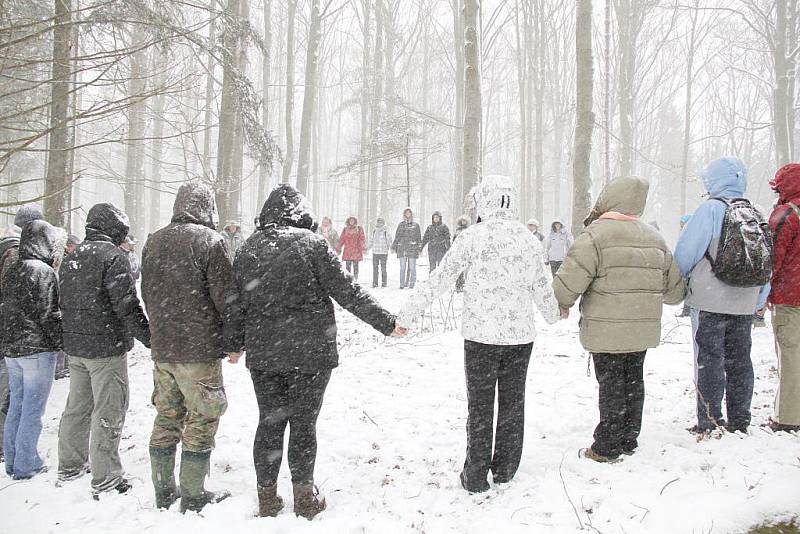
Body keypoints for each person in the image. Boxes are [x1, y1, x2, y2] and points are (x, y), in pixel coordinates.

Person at [224, 185, 404, 519]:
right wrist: (386, 322)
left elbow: (235, 302)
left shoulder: (250, 248)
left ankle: (267, 497)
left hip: (265, 354)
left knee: (269, 422)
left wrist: (233, 344)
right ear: (301, 214)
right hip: (311, 354)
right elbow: (346, 292)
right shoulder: (313, 246)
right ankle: (304, 497)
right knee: (304, 424)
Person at [398, 175, 560, 493]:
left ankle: (475, 474)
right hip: (519, 339)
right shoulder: (528, 240)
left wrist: (407, 314)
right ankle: (505, 468)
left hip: (480, 338)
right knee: (513, 402)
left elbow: (442, 277)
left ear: (484, 201)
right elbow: (542, 287)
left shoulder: (472, 236)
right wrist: (554, 313)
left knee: (480, 404)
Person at [553, 178, 686, 463]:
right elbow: (675, 292)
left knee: (611, 383)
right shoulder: (655, 238)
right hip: (641, 329)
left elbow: (567, 285)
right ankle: (629, 437)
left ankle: (606, 446)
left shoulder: (595, 236)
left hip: (606, 328)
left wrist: (561, 303)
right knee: (633, 380)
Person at [142, 183, 235, 512]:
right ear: (208, 207)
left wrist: (159, 331)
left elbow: (147, 292)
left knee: (167, 417)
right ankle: (193, 494)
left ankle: (163, 490)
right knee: (202, 417)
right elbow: (226, 299)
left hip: (163, 349)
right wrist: (234, 340)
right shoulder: (210, 242)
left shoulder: (153, 241)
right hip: (199, 350)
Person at [57, 203, 151, 496]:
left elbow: (65, 304)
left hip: (76, 348)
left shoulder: (73, 258)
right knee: (109, 409)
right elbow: (126, 306)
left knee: (77, 407)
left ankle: (70, 465)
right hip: (105, 348)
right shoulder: (113, 258)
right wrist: (149, 336)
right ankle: (106, 477)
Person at [675, 157, 771, 435]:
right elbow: (766, 262)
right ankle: (740, 419)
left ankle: (711, 420)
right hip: (744, 301)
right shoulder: (755, 212)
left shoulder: (710, 211)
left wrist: (678, 284)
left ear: (713, 180)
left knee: (710, 359)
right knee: (741, 360)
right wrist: (760, 300)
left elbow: (686, 253)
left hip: (709, 299)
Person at [0, 220, 64, 479]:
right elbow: (49, 314)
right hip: (37, 350)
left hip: (12, 350)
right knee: (32, 409)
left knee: (16, 404)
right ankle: (27, 462)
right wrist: (60, 342)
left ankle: (12, 459)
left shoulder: (13, 269)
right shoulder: (43, 272)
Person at [0, 206, 44, 461]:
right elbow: (16, 296)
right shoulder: (15, 253)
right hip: (12, 332)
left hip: (7, 329)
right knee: (11, 395)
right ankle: (8, 448)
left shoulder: (6, 246)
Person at [766, 164, 800, 432]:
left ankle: (788, 416)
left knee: (791, 358)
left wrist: (763, 291)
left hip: (790, 299)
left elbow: (772, 260)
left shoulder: (787, 215)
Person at [392, 208, 422, 289]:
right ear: (404, 214)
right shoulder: (401, 224)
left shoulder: (416, 225)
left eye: (409, 213)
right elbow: (397, 236)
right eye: (406, 213)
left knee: (412, 268)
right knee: (402, 268)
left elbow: (419, 237)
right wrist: (394, 246)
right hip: (402, 248)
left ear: (411, 214)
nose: (408, 214)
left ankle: (412, 283)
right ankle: (401, 284)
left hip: (412, 248)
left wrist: (419, 247)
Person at [336, 216, 366, 280]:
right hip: (348, 251)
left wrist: (363, 247)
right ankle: (348, 280)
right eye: (350, 220)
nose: (351, 222)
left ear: (355, 221)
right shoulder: (345, 229)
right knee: (348, 267)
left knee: (356, 267)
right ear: (348, 221)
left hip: (356, 250)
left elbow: (362, 239)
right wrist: (338, 248)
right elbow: (342, 239)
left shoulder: (359, 229)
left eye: (353, 220)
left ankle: (355, 279)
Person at [676, 215, 693, 318]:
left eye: (682, 223)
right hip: (691, 269)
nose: (681, 226)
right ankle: (687, 311)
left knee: (689, 290)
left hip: (691, 269)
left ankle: (687, 311)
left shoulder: (689, 234)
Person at [369, 217, 393, 288]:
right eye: (378, 222)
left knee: (383, 268)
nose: (379, 223)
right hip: (375, 252)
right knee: (375, 268)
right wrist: (367, 248)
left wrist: (392, 247)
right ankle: (375, 283)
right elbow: (371, 240)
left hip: (383, 252)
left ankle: (384, 282)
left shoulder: (386, 231)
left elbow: (389, 240)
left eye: (381, 222)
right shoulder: (374, 231)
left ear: (383, 223)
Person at [453, 216, 470, 293]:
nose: (463, 222)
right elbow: (454, 242)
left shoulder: (469, 230)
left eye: (464, 221)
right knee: (459, 271)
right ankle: (459, 285)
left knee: (467, 270)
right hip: (459, 253)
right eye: (462, 221)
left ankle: (467, 285)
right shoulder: (457, 231)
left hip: (467, 252)